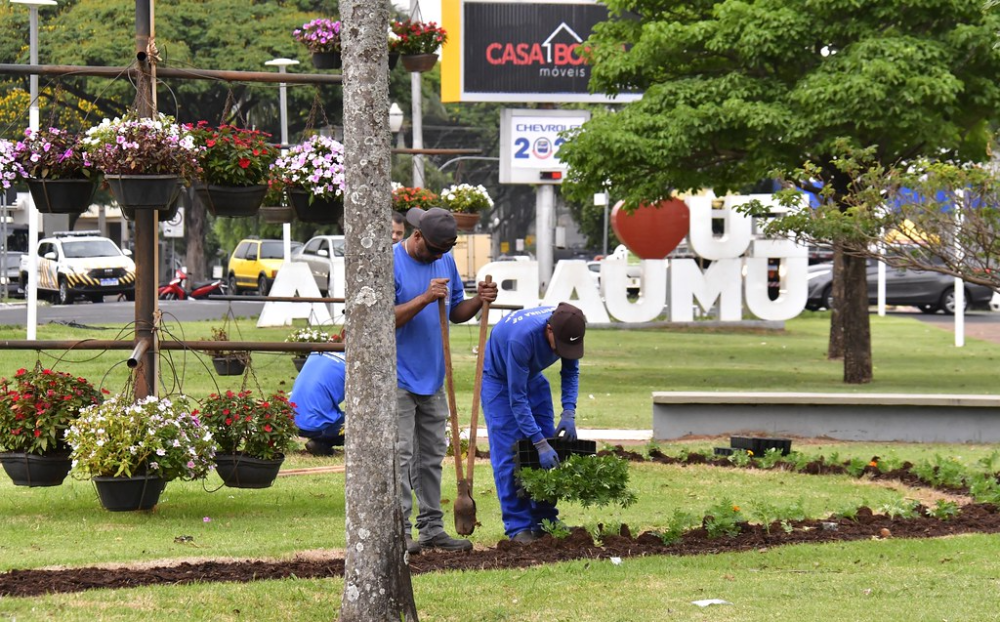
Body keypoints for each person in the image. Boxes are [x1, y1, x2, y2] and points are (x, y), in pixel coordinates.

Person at [394, 206, 498, 555]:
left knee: (432, 456)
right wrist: (424, 297)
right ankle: (400, 531)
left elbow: (455, 312)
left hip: (434, 376)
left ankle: (432, 529)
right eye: (433, 250)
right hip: (398, 378)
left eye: (444, 252)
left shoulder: (444, 261)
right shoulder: (390, 262)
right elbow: (380, 320)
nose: (438, 257)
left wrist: (478, 302)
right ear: (417, 235)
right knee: (401, 455)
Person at [480, 302, 586, 543]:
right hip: (500, 383)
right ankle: (518, 527)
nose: (562, 352)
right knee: (510, 455)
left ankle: (545, 521)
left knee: (548, 449)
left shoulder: (570, 326)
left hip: (533, 378)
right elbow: (516, 399)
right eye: (559, 346)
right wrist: (538, 443)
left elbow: (571, 371)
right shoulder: (521, 339)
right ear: (549, 330)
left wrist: (569, 412)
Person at [290, 351, 347, 457]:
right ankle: (323, 442)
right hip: (317, 427)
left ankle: (320, 444)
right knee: (369, 421)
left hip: (291, 421)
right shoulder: (357, 363)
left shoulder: (318, 351)